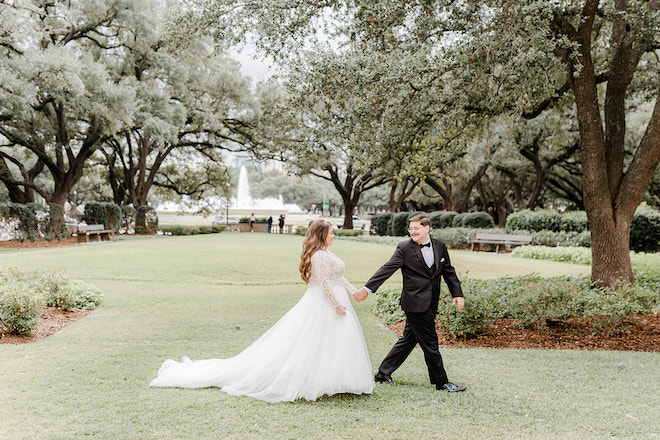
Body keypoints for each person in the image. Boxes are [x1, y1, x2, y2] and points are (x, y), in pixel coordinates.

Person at [150, 220, 373, 402]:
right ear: (322, 235)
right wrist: (337, 304)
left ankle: (333, 378)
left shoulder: (326, 253)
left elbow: (336, 277)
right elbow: (324, 282)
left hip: (335, 299)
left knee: (332, 341)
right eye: (331, 233)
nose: (334, 235)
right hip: (324, 303)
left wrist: (354, 292)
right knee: (313, 340)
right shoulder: (319, 255)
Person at [354, 214, 467, 392]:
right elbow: (387, 269)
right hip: (414, 303)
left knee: (408, 339)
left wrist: (457, 293)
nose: (412, 231)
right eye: (411, 228)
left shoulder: (439, 246)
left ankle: (383, 373)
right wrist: (366, 289)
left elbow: (449, 271)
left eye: (416, 228)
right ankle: (442, 382)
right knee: (430, 342)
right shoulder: (404, 248)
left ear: (427, 228)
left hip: (431, 301)